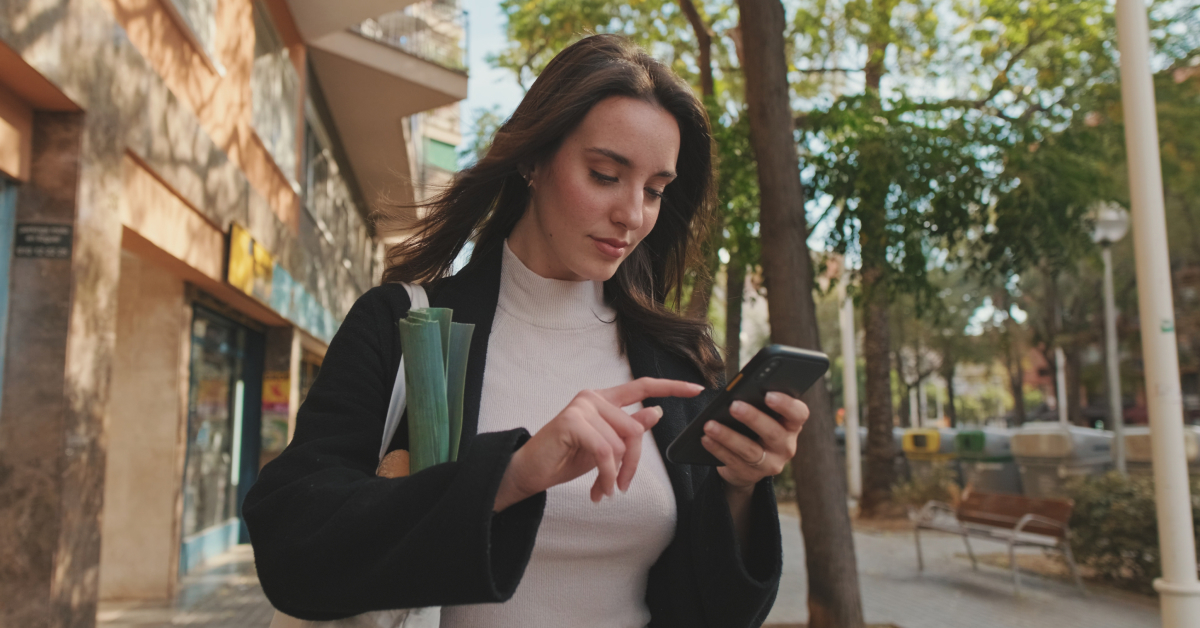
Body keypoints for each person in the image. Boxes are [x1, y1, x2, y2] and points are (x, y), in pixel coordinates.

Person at [244, 34, 810, 628]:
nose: (633, 214)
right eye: (604, 174)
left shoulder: (676, 363)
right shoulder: (402, 327)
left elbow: (716, 610)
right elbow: (293, 548)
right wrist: (511, 476)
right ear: (533, 161)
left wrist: (742, 487)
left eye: (655, 190)